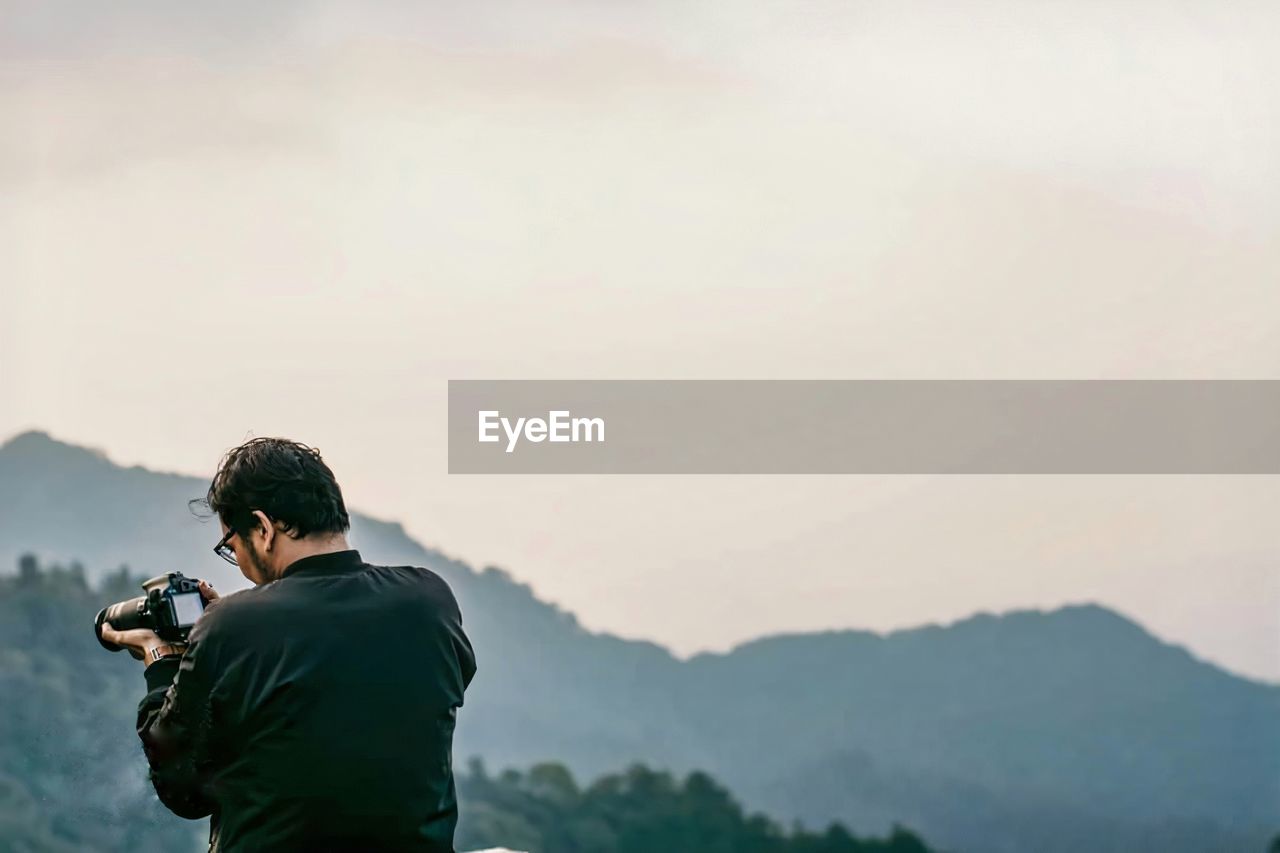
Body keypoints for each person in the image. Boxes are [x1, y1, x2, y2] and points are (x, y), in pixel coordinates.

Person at [101, 437, 477, 852]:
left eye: (232, 546)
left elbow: (183, 789)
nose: (240, 564)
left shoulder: (232, 628)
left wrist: (161, 659)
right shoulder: (429, 599)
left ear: (262, 528)